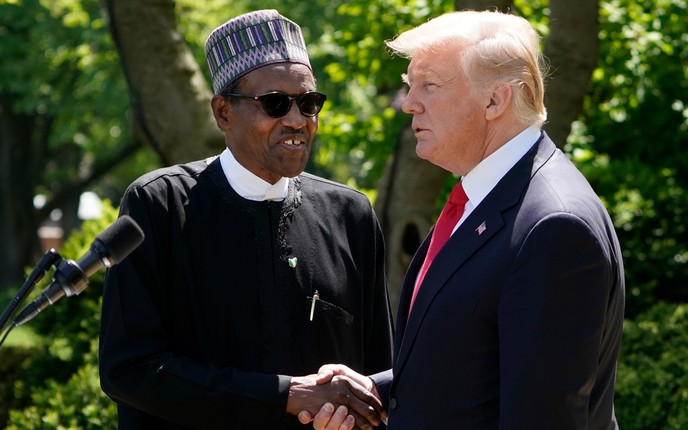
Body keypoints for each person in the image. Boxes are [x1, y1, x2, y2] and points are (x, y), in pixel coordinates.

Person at [303, 10, 625, 430]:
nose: (409, 103)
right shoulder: (488, 194)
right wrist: (372, 390)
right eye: (409, 86)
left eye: (429, 86)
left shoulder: (553, 226)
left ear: (496, 100)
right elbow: (476, 368)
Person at [98, 10, 393, 430]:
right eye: (275, 103)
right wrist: (283, 396)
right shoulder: (160, 205)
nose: (296, 120)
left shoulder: (350, 214)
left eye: (309, 103)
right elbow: (130, 369)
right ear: (222, 112)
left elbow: (379, 372)